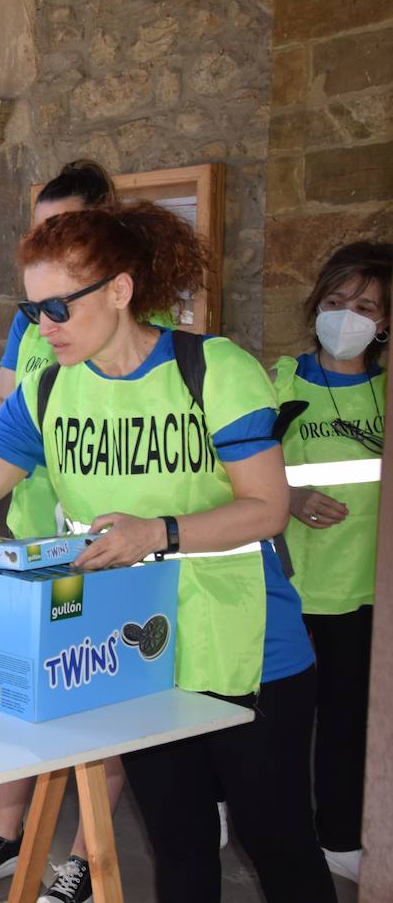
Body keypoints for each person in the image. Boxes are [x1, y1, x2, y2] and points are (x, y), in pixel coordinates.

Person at [0, 201, 335, 903]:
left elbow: (266, 510)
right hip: (140, 653)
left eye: (58, 308)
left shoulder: (213, 368)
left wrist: (157, 532)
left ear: (119, 288)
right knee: (177, 845)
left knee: (279, 842)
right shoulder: (47, 391)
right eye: (32, 311)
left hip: (251, 651)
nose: (42, 326)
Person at [0, 160, 125, 903]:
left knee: (99, 702)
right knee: (13, 693)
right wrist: (6, 417)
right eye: (38, 224)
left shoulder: (131, 337)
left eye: (61, 226)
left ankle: (85, 860)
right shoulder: (33, 319)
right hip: (27, 537)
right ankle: (7, 834)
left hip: (104, 550)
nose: (44, 239)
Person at [273, 240, 389, 885]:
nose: (347, 315)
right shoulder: (281, 381)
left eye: (366, 305)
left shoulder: (386, 388)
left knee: (349, 717)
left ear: (386, 321)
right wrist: (287, 496)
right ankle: (250, 813)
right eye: (336, 301)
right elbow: (238, 470)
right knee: (279, 715)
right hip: (292, 582)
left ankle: (339, 834)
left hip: (364, 587)